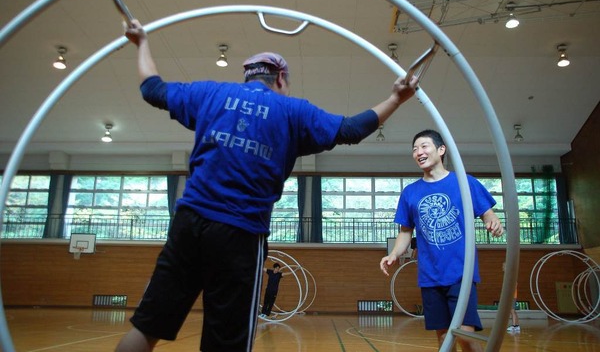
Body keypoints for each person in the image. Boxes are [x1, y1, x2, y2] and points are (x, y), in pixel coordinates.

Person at [116, 19, 418, 352]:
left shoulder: (210, 94)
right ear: (281, 79)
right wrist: (396, 98)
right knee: (226, 344)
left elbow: (152, 89)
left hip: (188, 224)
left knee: (147, 327)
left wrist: (141, 42)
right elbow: (350, 130)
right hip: (239, 234)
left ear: (247, 75)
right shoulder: (293, 111)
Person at [380, 129, 504, 352]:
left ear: (441, 150)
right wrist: (394, 254)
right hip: (430, 276)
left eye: (424, 146)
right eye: (415, 149)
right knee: (445, 337)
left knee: (465, 334)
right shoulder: (410, 192)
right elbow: (406, 231)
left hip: (460, 272)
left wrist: (492, 219)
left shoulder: (465, 182)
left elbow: (487, 212)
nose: (419, 152)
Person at [503, 262, 521, 333]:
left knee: (512, 311)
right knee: (513, 311)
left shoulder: (510, 275)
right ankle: (517, 326)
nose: (503, 267)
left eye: (504, 266)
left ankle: (513, 326)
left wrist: (510, 292)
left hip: (512, 296)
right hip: (511, 295)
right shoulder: (508, 275)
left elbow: (515, 284)